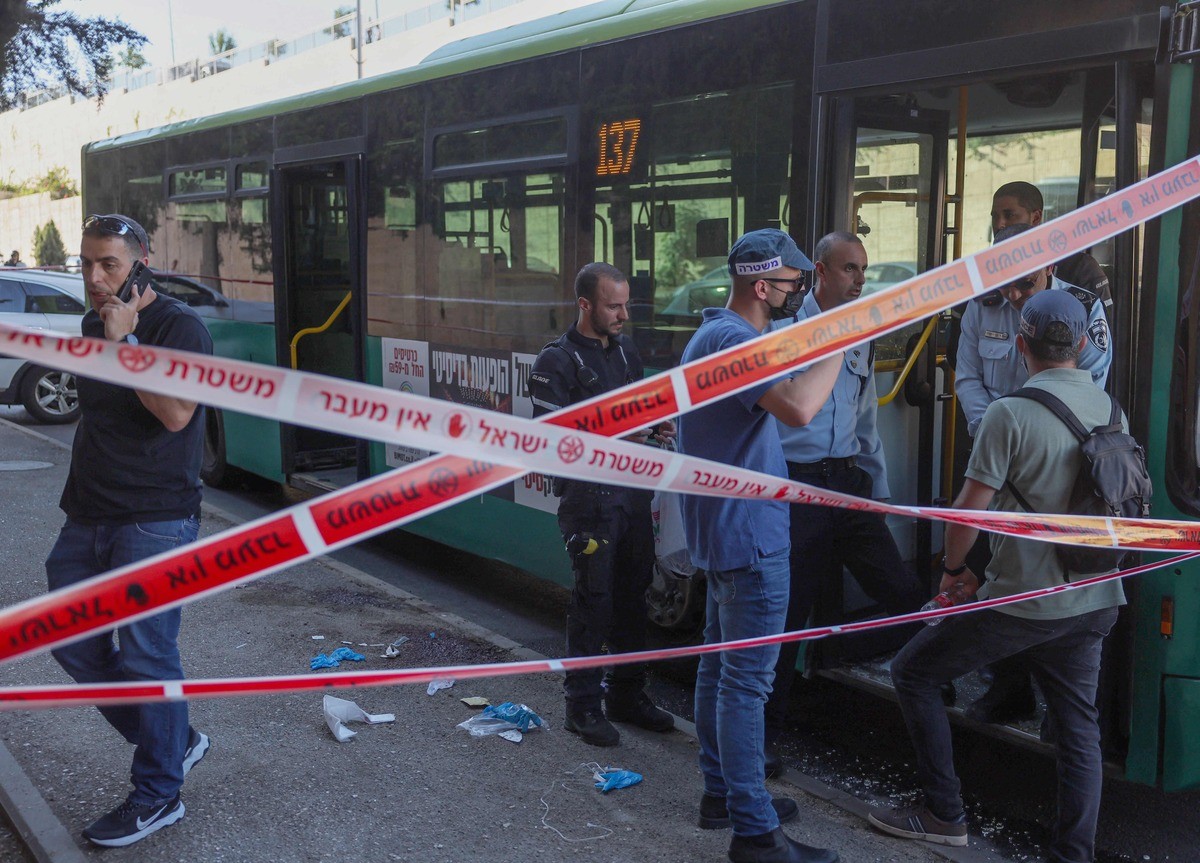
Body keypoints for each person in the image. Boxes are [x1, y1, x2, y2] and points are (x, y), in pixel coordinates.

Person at [867, 289, 1126, 863]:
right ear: (1082, 345)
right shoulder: (1110, 410)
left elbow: (970, 511)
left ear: (1020, 343)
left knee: (913, 672)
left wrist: (955, 572)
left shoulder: (1009, 413)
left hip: (1023, 601)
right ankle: (1072, 854)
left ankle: (943, 813)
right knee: (1078, 732)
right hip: (1095, 595)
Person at [46, 213, 213, 847]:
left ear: (141, 262)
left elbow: (175, 414)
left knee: (147, 655)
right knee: (70, 639)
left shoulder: (178, 327)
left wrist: (125, 345)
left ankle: (158, 794)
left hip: (156, 519)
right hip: (88, 514)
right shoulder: (97, 320)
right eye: (85, 263)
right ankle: (176, 739)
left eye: (108, 264)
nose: (93, 277)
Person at [680, 228, 840, 863]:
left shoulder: (713, 334)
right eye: (793, 282)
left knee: (719, 668)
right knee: (746, 684)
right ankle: (755, 831)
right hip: (750, 538)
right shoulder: (732, 341)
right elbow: (800, 408)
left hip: (726, 532)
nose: (799, 291)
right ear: (761, 283)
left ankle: (724, 793)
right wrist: (841, 339)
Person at [762, 232, 925, 775]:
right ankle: (761, 741)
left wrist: (877, 497)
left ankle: (927, 692)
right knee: (785, 620)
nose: (860, 280)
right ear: (820, 273)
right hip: (797, 489)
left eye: (864, 270)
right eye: (850, 269)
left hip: (846, 485)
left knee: (902, 592)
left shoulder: (859, 334)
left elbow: (866, 424)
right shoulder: (784, 332)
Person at [955, 221, 1112, 723]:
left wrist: (1021, 427)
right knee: (998, 570)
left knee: (1049, 570)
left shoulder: (1082, 308)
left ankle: (1056, 698)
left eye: (1026, 284)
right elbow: (967, 377)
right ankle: (1008, 686)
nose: (1015, 295)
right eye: (1007, 283)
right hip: (995, 450)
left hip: (1059, 461)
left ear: (1050, 266)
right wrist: (995, 431)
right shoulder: (981, 304)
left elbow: (1092, 386)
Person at [528, 262, 676, 747]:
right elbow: (547, 440)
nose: (623, 314)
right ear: (585, 304)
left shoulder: (627, 351)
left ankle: (627, 696)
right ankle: (582, 706)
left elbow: (640, 408)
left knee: (635, 599)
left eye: (626, 304)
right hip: (589, 502)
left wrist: (658, 426)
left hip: (632, 494)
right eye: (613, 305)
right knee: (594, 602)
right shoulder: (557, 361)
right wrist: (615, 432)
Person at [991, 181, 1112, 310]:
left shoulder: (1080, 269)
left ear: (1036, 218)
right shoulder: (987, 271)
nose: (999, 224)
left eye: (1009, 215)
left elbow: (1102, 323)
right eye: (995, 217)